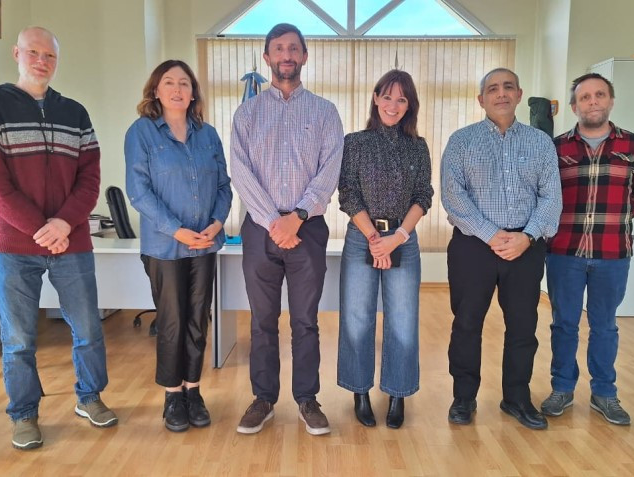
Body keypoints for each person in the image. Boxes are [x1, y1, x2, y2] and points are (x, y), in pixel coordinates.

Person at [0, 26, 117, 451]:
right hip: (14, 246)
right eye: (33, 52)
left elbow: (90, 180)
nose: (41, 61)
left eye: (49, 55)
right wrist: (41, 228)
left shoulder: (75, 113)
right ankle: (24, 415)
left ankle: (90, 398)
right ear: (16, 54)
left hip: (72, 242)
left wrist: (64, 224)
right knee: (18, 339)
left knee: (88, 328)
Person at [230, 23, 344, 436]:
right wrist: (272, 222)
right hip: (260, 230)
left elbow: (329, 172)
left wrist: (296, 217)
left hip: (307, 229)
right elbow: (240, 172)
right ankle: (263, 398)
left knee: (305, 321)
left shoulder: (325, 112)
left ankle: (307, 399)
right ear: (267, 57)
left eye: (294, 48)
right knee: (262, 320)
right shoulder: (247, 113)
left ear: (304, 56)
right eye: (278, 48)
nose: (286, 55)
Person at [441, 67, 562, 430]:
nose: (501, 93)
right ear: (482, 99)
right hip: (473, 247)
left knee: (523, 326)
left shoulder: (540, 143)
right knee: (466, 324)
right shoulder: (462, 141)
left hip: (526, 247)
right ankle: (464, 397)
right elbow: (453, 196)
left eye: (508, 86)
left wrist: (527, 236)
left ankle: (516, 398)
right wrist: (491, 234)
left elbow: (551, 197)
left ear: (519, 94)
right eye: (493, 89)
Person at [124, 60, 232, 433]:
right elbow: (139, 191)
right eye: (169, 82)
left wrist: (217, 223)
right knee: (172, 322)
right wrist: (177, 230)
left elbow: (224, 185)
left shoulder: (208, 135)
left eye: (184, 83)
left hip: (205, 243)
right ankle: (173, 396)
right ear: (156, 91)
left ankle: (193, 391)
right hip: (165, 247)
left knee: (198, 320)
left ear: (192, 93)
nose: (177, 89)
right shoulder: (141, 133)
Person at [540, 73, 634, 426]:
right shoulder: (556, 148)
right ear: (574, 106)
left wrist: (613, 220)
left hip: (613, 252)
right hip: (564, 251)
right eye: (585, 97)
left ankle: (604, 393)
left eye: (599, 95)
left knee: (605, 326)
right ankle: (562, 389)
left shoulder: (633, 145)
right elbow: (544, 195)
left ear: (610, 101)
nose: (592, 101)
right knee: (564, 324)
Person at [336, 69, 433, 429]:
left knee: (403, 320)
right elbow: (348, 192)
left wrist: (398, 237)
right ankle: (359, 391)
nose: (393, 105)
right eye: (387, 97)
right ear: (376, 98)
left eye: (401, 99)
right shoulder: (355, 142)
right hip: (361, 237)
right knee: (357, 318)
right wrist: (376, 240)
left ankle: (398, 393)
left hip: (403, 239)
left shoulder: (418, 146)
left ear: (410, 106)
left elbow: (423, 195)